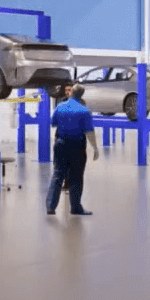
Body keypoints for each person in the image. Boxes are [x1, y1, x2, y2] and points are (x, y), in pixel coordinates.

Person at [46, 84, 99, 216]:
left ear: (70, 93)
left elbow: (53, 124)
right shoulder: (84, 111)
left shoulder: (60, 107)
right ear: (81, 95)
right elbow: (89, 132)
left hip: (61, 144)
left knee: (58, 174)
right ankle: (75, 207)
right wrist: (95, 147)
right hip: (77, 147)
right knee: (76, 177)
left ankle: (50, 207)